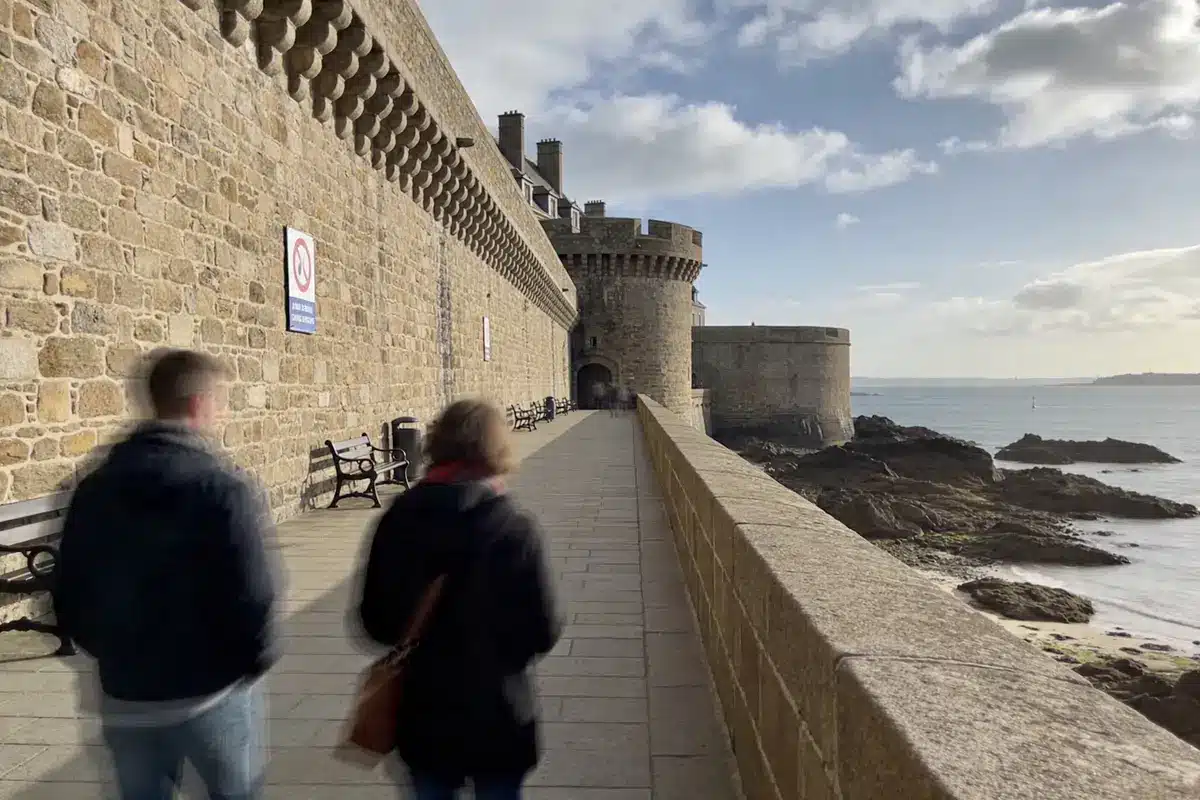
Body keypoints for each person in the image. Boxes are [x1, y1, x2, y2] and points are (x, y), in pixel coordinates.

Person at [54, 348, 279, 800]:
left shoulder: (95, 486)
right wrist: (248, 665)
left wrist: (113, 655)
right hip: (211, 693)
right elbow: (254, 594)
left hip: (127, 693)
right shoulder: (221, 486)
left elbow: (66, 591)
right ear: (200, 404)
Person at [356, 398, 561, 800]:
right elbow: (542, 632)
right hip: (499, 713)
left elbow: (375, 623)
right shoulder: (515, 528)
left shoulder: (400, 518)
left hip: (425, 713)